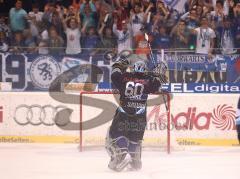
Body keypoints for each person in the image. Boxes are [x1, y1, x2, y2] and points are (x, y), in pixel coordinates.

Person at [105, 57, 167, 172]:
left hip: (124, 113)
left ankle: (123, 153)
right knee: (135, 139)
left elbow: (114, 75)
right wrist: (161, 70)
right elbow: (160, 82)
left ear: (133, 69)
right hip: (140, 116)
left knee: (116, 134)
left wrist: (118, 65)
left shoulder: (124, 78)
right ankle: (135, 160)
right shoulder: (149, 80)